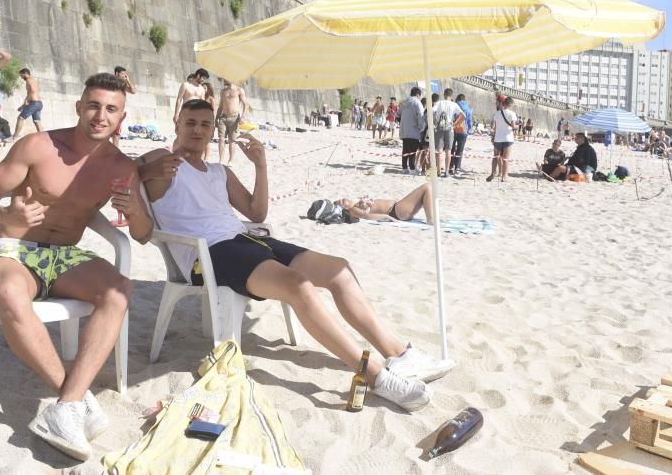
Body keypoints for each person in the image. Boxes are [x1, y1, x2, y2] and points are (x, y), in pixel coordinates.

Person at [139, 99, 452, 411]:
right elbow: (131, 169)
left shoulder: (219, 172)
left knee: (338, 270)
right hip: (208, 254)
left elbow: (256, 211)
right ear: (177, 123)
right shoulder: (158, 160)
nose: (197, 130)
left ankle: (398, 354)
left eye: (205, 124)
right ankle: (375, 377)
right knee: (298, 286)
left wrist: (261, 165)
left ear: (213, 131)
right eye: (190, 123)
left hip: (245, 238)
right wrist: (148, 168)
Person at [0, 73, 152, 460]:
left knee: (119, 291)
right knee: (9, 293)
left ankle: (65, 405)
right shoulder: (38, 146)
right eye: (94, 105)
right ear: (79, 106)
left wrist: (134, 211)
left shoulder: (121, 167)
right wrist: (4, 213)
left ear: (121, 117)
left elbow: (144, 234)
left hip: (65, 256)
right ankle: (76, 399)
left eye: (111, 110)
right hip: (12, 248)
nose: (101, 116)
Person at [336, 183, 435, 224]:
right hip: (396, 211)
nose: (342, 200)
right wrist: (387, 217)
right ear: (344, 209)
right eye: (341, 203)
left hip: (397, 208)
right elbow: (367, 216)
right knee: (427, 187)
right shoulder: (353, 210)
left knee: (426, 192)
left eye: (341, 199)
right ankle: (430, 219)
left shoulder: (355, 203)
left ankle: (431, 217)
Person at [216, 79, 248, 165]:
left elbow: (245, 104)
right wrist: (216, 118)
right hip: (223, 117)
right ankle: (221, 160)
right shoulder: (223, 91)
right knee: (221, 139)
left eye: (225, 78)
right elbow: (220, 106)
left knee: (232, 140)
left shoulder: (239, 90)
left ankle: (231, 160)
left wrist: (243, 117)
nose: (223, 80)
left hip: (234, 118)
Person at [432, 88, 462, 178]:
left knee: (439, 150)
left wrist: (434, 122)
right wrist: (456, 124)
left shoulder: (439, 103)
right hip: (449, 128)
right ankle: (446, 171)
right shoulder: (454, 104)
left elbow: (431, 111)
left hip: (439, 128)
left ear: (444, 94)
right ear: (451, 95)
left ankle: (438, 171)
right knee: (448, 151)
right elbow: (463, 115)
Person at [487, 96, 517, 182]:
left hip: (498, 138)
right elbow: (513, 126)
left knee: (495, 157)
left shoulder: (496, 114)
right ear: (510, 104)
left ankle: (493, 172)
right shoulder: (512, 114)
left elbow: (494, 127)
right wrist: (518, 126)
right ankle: (504, 176)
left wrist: (493, 136)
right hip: (508, 138)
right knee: (505, 159)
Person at [12, 67, 44, 141]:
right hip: (39, 103)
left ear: (25, 73)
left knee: (20, 118)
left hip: (34, 103)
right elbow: (35, 91)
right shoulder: (34, 81)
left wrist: (28, 100)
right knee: (37, 121)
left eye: (21, 75)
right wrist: (23, 105)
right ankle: (43, 138)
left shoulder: (29, 80)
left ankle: (15, 137)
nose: (21, 77)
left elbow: (32, 91)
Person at [398, 87, 423, 174]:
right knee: (413, 150)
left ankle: (404, 168)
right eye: (420, 96)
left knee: (405, 150)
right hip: (414, 130)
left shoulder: (403, 102)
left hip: (404, 130)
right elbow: (421, 116)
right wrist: (421, 127)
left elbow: (398, 115)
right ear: (417, 95)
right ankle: (412, 168)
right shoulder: (417, 102)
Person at [111, 66, 137, 147]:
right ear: (116, 73)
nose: (124, 76)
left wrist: (128, 80)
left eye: (125, 74)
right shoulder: (111, 83)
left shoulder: (122, 85)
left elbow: (133, 91)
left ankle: (115, 153)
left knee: (116, 134)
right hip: (112, 112)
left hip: (119, 113)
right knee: (108, 133)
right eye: (122, 74)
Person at [450, 93, 472, 176]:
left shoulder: (455, 106)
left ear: (457, 99)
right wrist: (469, 130)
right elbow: (469, 121)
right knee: (460, 150)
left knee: (451, 149)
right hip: (463, 131)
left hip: (454, 129)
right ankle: (457, 168)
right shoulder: (468, 108)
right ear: (464, 99)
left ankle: (450, 166)